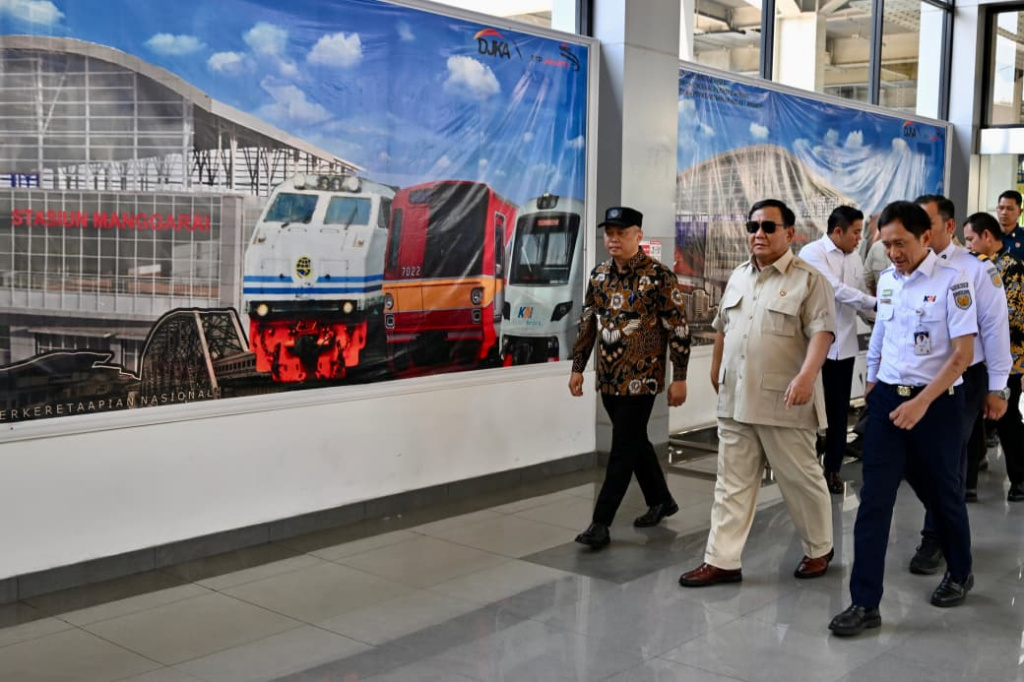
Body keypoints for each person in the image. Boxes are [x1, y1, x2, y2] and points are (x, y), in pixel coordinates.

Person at [829, 201, 977, 638]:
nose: (892, 252)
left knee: (942, 493)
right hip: (889, 403)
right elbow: (880, 334)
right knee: (874, 501)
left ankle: (960, 570)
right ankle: (864, 603)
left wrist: (921, 404)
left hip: (938, 406)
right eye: (886, 243)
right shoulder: (890, 283)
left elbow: (962, 356)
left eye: (901, 243)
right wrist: (873, 384)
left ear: (925, 238)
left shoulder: (955, 283)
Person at [678, 199, 836, 587]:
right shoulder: (738, 276)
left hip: (784, 399)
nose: (758, 234)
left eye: (768, 227)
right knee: (731, 484)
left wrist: (806, 376)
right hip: (735, 400)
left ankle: (819, 548)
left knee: (800, 480)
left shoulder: (808, 279)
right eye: (753, 227)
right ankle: (722, 560)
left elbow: (823, 333)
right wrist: (716, 367)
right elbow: (723, 326)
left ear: (790, 234)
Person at [569, 206, 692, 549]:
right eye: (609, 232)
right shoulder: (598, 276)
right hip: (609, 377)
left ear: (638, 235)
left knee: (622, 447)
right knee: (635, 441)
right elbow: (587, 324)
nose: (613, 238)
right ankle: (661, 499)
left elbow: (678, 328)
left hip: (643, 377)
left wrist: (679, 375)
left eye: (621, 232)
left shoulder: (659, 276)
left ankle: (600, 523)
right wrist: (578, 368)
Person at [905, 195, 1009, 576]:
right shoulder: (907, 269)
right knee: (922, 457)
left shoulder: (977, 271)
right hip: (919, 377)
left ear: (949, 227)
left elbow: (997, 330)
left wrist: (999, 388)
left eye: (926, 223)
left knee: (946, 456)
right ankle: (945, 527)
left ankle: (935, 538)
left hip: (967, 377)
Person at [800, 206, 876, 494]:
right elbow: (833, 289)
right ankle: (804, 469)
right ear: (837, 231)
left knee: (838, 413)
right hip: (812, 350)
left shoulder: (854, 257)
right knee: (806, 411)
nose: (859, 238)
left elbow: (856, 301)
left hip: (842, 348)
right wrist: (875, 303)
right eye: (856, 232)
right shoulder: (812, 253)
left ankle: (832, 469)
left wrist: (881, 317)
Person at [963, 212, 1024, 502]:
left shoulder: (1012, 268)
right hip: (976, 359)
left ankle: (1020, 479)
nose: (968, 246)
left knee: (1007, 419)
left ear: (987, 236)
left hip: (1006, 357)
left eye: (971, 239)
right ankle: (969, 481)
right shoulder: (971, 267)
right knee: (973, 422)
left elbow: (1014, 317)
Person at [997, 190, 1024, 260]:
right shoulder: (988, 236)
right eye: (1001, 208)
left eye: (1010, 209)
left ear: (1020, 212)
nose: (1004, 212)